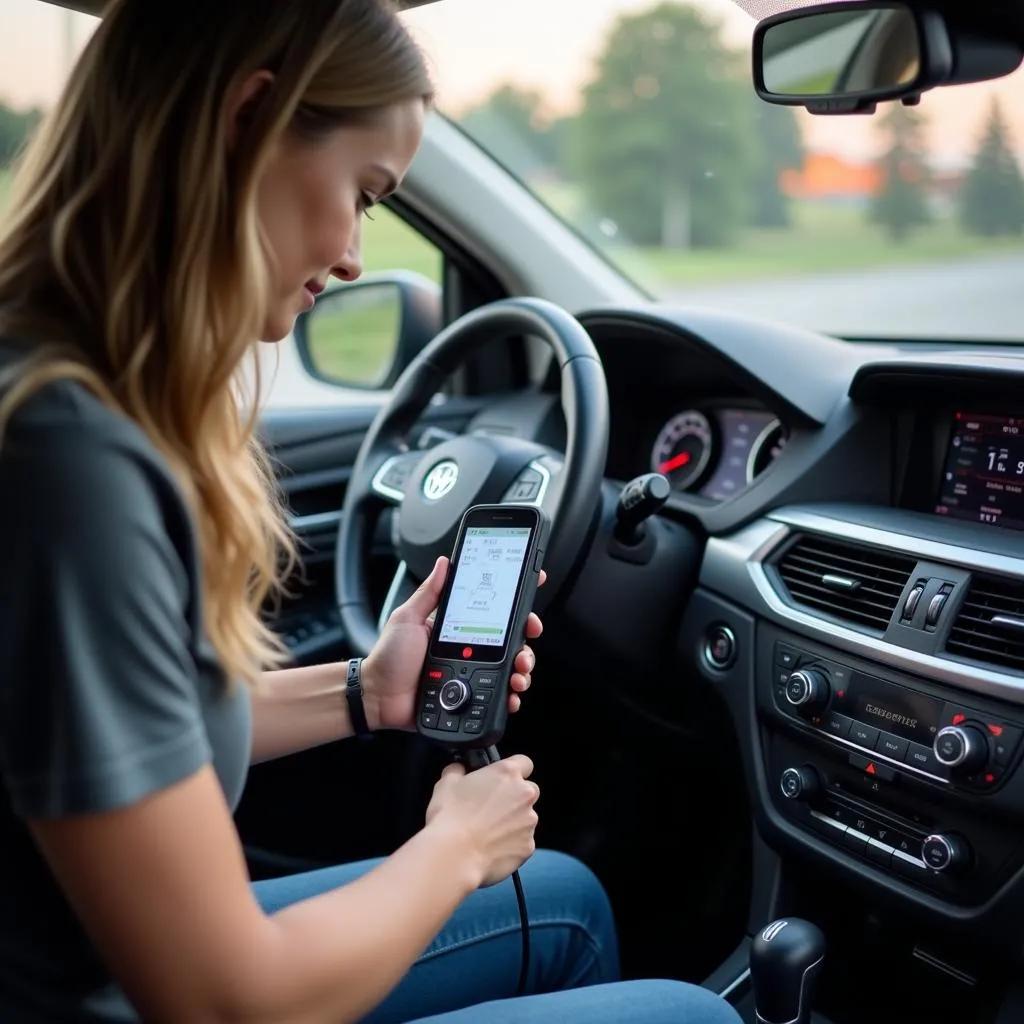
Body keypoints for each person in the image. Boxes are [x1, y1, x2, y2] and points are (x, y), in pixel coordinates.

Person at [0, 1, 744, 1021]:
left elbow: (126, 725)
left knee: (559, 898)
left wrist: (366, 689)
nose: (355, 254)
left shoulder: (50, 389)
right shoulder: (68, 463)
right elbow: (226, 1000)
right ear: (249, 119)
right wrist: (455, 845)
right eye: (362, 191)